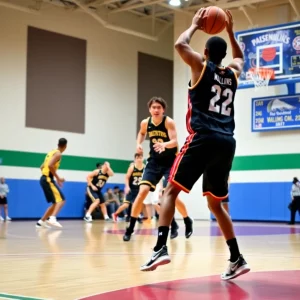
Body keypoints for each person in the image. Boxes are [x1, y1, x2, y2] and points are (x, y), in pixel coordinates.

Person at [140, 9, 251, 281]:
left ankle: (160, 248)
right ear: (223, 55)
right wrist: (230, 31)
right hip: (227, 142)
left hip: (203, 137)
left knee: (169, 192)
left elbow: (180, 44)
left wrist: (193, 26)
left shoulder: (201, 66)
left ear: (205, 51)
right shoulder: (233, 73)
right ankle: (236, 257)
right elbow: (240, 58)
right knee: (217, 206)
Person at [123, 96, 193, 242]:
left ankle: (186, 220)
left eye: (158, 108)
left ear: (163, 110)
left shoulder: (168, 122)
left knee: (170, 196)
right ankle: (130, 228)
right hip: (154, 162)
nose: (156, 110)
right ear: (150, 109)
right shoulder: (145, 123)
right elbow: (142, 133)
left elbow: (175, 142)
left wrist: (164, 145)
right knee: (142, 192)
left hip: (170, 162)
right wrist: (139, 143)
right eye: (153, 107)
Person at [36, 138, 68, 229]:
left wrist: (46, 175)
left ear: (58, 144)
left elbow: (42, 167)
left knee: (55, 203)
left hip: (44, 178)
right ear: (65, 146)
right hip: (47, 179)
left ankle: (41, 221)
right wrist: (58, 178)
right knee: (62, 200)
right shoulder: (58, 154)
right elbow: (50, 165)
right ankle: (52, 218)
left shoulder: (51, 152)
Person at [112, 153, 144, 222]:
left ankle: (137, 216)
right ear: (135, 159)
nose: (139, 159)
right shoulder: (132, 167)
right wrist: (127, 187)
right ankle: (115, 214)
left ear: (143, 159)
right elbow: (126, 178)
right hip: (131, 189)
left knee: (138, 204)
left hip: (139, 189)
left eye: (140, 158)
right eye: (137, 158)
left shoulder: (145, 168)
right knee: (126, 205)